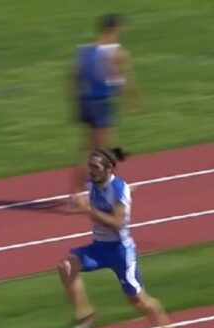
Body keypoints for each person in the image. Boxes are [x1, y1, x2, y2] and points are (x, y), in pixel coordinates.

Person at [55, 146, 180, 328]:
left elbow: (116, 223)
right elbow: (89, 202)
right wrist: (75, 207)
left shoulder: (119, 189)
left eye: (95, 167)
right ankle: (84, 315)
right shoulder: (92, 184)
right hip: (99, 247)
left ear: (108, 169)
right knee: (66, 266)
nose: (91, 171)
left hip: (121, 251)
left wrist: (87, 210)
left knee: (138, 300)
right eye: (90, 166)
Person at [65, 13, 140, 211]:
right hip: (102, 103)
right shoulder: (115, 52)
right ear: (113, 29)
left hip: (86, 102)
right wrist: (131, 100)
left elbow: (75, 77)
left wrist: (76, 104)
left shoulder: (84, 51)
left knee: (93, 149)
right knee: (98, 152)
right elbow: (120, 79)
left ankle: (94, 191)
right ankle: (79, 196)